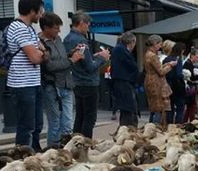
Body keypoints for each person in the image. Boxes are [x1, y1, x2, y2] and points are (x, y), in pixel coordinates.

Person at [6, 0, 47, 150]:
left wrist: (41, 52)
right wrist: (41, 52)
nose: (42, 14)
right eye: (40, 10)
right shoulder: (19, 28)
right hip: (22, 84)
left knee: (37, 125)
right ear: (32, 11)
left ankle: (35, 154)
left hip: (33, 82)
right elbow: (35, 58)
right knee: (26, 126)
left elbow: (43, 52)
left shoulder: (29, 29)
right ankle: (22, 158)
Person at [63, 11, 110, 139]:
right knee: (89, 117)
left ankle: (75, 142)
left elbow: (83, 60)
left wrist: (94, 56)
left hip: (76, 81)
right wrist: (103, 58)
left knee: (80, 116)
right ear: (82, 23)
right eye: (88, 24)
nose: (88, 27)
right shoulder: (81, 40)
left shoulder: (67, 38)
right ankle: (85, 145)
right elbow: (90, 67)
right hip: (88, 83)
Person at [39, 12, 83, 147]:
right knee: (55, 123)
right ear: (46, 28)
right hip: (52, 87)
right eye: (56, 28)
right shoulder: (39, 43)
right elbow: (50, 66)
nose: (59, 31)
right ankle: (53, 151)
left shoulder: (58, 39)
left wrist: (71, 52)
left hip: (66, 84)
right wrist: (72, 60)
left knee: (68, 123)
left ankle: (66, 151)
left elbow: (61, 57)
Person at [143, 35, 175, 129]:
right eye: (160, 44)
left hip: (150, 80)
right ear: (155, 44)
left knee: (155, 107)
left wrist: (166, 64)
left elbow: (157, 68)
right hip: (156, 83)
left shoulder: (147, 54)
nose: (160, 46)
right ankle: (156, 127)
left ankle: (152, 126)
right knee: (159, 107)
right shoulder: (153, 56)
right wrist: (171, 66)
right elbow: (161, 72)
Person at [110, 32, 139, 127]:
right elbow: (132, 66)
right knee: (129, 110)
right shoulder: (121, 50)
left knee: (128, 110)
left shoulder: (118, 49)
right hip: (124, 83)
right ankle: (128, 129)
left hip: (123, 82)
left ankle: (127, 128)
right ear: (132, 42)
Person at [164, 42, 186, 124]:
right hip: (177, 86)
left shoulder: (166, 59)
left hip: (168, 85)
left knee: (170, 107)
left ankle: (169, 125)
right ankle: (178, 125)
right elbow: (178, 74)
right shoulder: (178, 60)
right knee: (180, 107)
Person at [183, 47, 198, 120]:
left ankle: (187, 121)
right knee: (193, 106)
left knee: (190, 106)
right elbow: (192, 78)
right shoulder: (188, 64)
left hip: (190, 87)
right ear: (192, 56)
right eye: (197, 57)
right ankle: (192, 121)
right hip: (189, 88)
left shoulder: (189, 63)